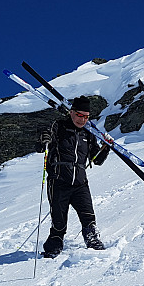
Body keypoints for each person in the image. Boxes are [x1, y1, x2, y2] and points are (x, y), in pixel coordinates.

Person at [39, 96, 110, 258]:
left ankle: (92, 239)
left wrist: (105, 148)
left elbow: (96, 160)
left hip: (80, 182)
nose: (82, 119)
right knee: (58, 218)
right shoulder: (59, 126)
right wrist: (44, 139)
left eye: (86, 116)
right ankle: (54, 244)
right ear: (71, 113)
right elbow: (43, 141)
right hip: (58, 180)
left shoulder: (89, 133)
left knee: (88, 216)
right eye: (79, 115)